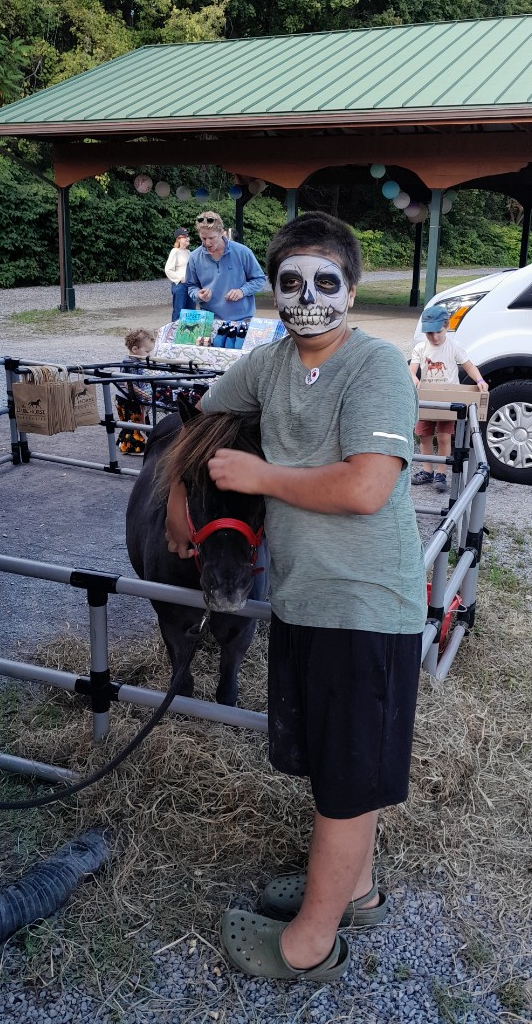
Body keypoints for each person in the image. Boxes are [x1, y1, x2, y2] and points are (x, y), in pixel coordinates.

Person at [164, 212, 426, 982]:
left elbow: (367, 487)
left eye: (326, 281)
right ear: (269, 288)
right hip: (304, 597)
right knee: (338, 763)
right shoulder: (269, 362)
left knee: (345, 779)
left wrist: (261, 479)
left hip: (364, 603)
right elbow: (201, 423)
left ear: (351, 288)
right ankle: (359, 890)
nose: (308, 296)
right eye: (291, 282)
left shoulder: (375, 367)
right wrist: (182, 502)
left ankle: (309, 944)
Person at [409, 303, 488, 492]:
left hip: (447, 401)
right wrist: (413, 376)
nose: (434, 337)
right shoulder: (421, 348)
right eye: (429, 333)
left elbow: (468, 366)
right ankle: (427, 469)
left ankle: (441, 472)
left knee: (444, 438)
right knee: (424, 436)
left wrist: (479, 379)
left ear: (447, 327)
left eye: (438, 332)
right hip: (427, 399)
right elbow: (412, 368)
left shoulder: (454, 347)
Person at [184, 211, 265, 323]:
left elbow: (259, 279)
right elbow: (191, 286)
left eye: (212, 238)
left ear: (222, 233)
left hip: (242, 319)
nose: (207, 243)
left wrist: (242, 291)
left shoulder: (243, 252)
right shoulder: (194, 257)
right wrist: (198, 295)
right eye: (203, 238)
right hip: (209, 321)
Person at [115, 328, 155, 454]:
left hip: (133, 398)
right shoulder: (129, 363)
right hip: (127, 399)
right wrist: (144, 394)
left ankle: (130, 441)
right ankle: (132, 447)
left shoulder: (137, 361)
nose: (149, 355)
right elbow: (129, 384)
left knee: (138, 421)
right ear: (135, 349)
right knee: (133, 423)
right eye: (147, 351)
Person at [164, 228, 191, 321]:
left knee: (190, 313)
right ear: (179, 239)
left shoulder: (188, 252)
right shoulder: (175, 251)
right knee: (179, 312)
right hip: (180, 286)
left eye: (188, 236)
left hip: (190, 285)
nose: (188, 238)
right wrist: (180, 278)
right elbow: (168, 269)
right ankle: (174, 333)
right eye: (185, 237)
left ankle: (189, 334)